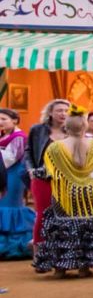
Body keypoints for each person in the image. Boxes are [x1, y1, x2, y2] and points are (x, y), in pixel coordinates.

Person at [31, 112, 93, 278]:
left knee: (63, 229)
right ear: (85, 126)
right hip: (92, 194)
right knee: (88, 228)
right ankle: (84, 267)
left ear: (65, 127)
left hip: (64, 195)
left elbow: (47, 172)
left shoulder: (54, 148)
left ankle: (60, 269)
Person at [26, 99, 71, 249]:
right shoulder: (37, 130)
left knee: (65, 215)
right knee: (43, 213)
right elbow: (29, 152)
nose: (63, 113)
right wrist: (31, 170)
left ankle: (61, 251)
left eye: (66, 111)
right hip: (42, 177)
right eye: (59, 110)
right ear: (50, 112)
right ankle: (40, 252)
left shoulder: (73, 130)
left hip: (67, 179)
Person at [0, 108, 35, 260]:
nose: (0, 122)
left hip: (12, 175)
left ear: (14, 120)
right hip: (3, 174)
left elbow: (9, 158)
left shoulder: (19, 137)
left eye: (3, 119)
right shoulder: (3, 137)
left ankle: (15, 247)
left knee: (10, 206)